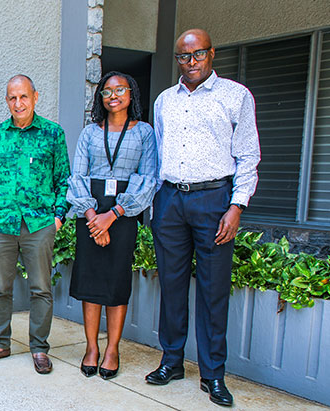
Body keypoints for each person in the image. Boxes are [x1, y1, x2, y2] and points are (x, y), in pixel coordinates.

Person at [147, 29, 260, 407]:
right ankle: (172, 361)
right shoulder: (165, 101)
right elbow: (160, 152)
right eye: (183, 56)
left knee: (213, 292)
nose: (191, 62)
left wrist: (236, 205)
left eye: (197, 55)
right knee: (172, 286)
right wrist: (156, 203)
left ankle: (212, 375)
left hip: (214, 199)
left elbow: (248, 155)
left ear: (212, 54)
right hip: (170, 201)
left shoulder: (235, 96)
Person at [0, 75, 70, 374]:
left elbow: (63, 179)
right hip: (0, 222)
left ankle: (39, 348)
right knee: (0, 288)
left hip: (39, 223)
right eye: (12, 98)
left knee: (40, 288)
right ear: (7, 100)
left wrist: (58, 216)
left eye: (23, 97)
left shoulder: (53, 134)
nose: (18, 103)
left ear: (35, 97)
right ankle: (1, 342)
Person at [66, 71, 157, 381]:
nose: (113, 95)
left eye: (120, 89)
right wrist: (93, 218)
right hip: (90, 212)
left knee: (116, 284)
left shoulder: (144, 132)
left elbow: (148, 179)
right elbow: (77, 177)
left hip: (123, 214)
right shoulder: (90, 133)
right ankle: (91, 347)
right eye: (106, 91)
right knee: (91, 284)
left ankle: (112, 349)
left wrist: (113, 215)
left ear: (131, 94)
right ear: (100, 98)